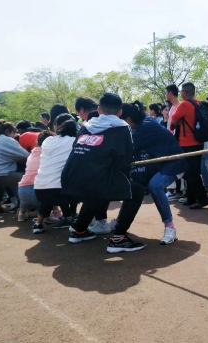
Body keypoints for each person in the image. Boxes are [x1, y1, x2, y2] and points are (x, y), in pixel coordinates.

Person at [61, 92, 145, 251]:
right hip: (93, 181)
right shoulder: (122, 127)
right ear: (120, 112)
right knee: (136, 190)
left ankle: (79, 230)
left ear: (99, 109)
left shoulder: (85, 127)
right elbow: (126, 160)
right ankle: (119, 239)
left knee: (97, 187)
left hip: (69, 180)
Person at [122, 101, 186, 245]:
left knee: (155, 186)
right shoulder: (141, 123)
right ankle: (120, 222)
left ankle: (170, 227)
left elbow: (126, 148)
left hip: (173, 163)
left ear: (128, 119)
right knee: (134, 185)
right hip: (157, 164)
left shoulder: (145, 127)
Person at [32, 115, 78, 233]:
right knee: (67, 183)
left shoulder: (47, 140)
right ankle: (79, 221)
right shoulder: (74, 141)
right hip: (62, 192)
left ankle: (38, 224)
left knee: (49, 192)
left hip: (39, 189)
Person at [170, 82, 208, 209]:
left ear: (185, 93)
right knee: (193, 171)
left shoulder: (185, 104)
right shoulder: (198, 103)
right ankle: (191, 198)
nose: (180, 94)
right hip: (198, 142)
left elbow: (173, 120)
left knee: (191, 173)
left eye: (181, 92)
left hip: (187, 143)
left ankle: (201, 199)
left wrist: (179, 121)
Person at [17, 131, 52, 222]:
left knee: (28, 180)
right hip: (39, 193)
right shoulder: (50, 153)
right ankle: (49, 216)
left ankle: (21, 214)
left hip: (22, 192)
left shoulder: (33, 153)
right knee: (53, 187)